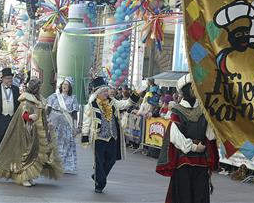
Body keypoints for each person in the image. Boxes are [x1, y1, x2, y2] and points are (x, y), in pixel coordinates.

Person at [0, 78, 63, 187]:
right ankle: (23, 176)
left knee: (36, 154)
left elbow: (42, 114)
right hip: (28, 131)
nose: (39, 89)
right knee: (27, 153)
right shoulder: (26, 100)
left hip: (39, 131)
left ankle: (30, 176)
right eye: (38, 87)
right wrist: (30, 116)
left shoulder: (39, 100)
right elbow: (23, 114)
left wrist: (47, 122)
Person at [156, 74, 219, 203]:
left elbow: (210, 135)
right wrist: (194, 147)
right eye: (194, 87)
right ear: (186, 90)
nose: (197, 90)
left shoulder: (204, 110)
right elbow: (175, 137)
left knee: (199, 195)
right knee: (183, 196)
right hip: (183, 160)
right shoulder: (177, 110)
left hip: (201, 161)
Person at [81, 76, 141, 193]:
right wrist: (84, 135)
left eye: (106, 91)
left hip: (113, 136)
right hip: (98, 137)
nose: (106, 93)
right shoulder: (91, 105)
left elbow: (126, 104)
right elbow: (86, 121)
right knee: (99, 161)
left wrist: (136, 94)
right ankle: (100, 184)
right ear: (98, 93)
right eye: (103, 91)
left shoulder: (113, 102)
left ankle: (98, 176)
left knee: (111, 160)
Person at [46, 77, 79, 174]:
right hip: (55, 123)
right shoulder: (54, 96)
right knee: (53, 142)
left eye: (67, 85)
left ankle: (64, 165)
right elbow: (48, 110)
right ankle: (51, 163)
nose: (65, 86)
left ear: (70, 88)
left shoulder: (72, 98)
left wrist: (75, 126)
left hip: (66, 124)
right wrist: (47, 121)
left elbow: (74, 113)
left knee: (65, 144)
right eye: (64, 84)